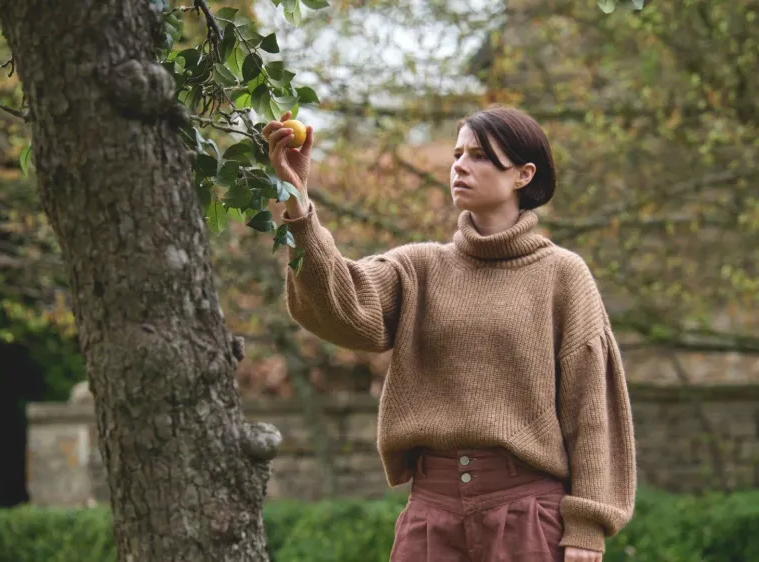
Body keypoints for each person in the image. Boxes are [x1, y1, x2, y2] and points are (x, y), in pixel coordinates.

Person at [263, 106, 636, 562]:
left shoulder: (563, 275)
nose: (459, 165)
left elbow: (592, 409)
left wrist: (587, 527)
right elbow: (338, 306)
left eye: (478, 155)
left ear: (523, 174)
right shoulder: (419, 268)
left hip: (528, 519)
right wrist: (298, 200)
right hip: (430, 519)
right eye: (457, 154)